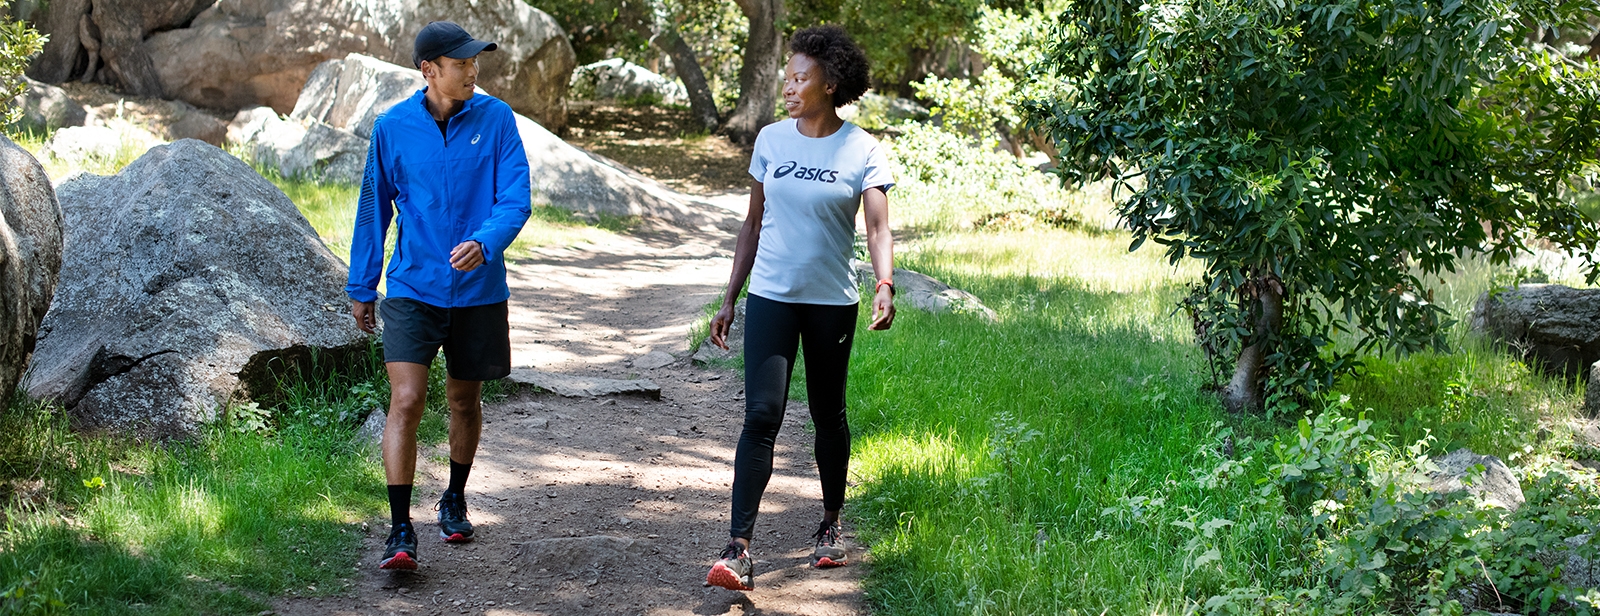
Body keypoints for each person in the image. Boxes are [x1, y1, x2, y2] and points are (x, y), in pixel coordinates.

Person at [704, 25, 895, 591]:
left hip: (832, 301)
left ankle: (831, 525)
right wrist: (730, 297)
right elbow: (752, 223)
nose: (787, 86)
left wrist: (884, 283)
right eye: (786, 77)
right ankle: (739, 547)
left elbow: (879, 224)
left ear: (830, 84)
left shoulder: (861, 148)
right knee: (761, 415)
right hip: (771, 297)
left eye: (799, 78)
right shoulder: (770, 141)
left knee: (826, 413)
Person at [346, 20, 532, 571]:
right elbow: (372, 209)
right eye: (461, 63)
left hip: (477, 290)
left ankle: (453, 496)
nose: (473, 70)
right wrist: (363, 285)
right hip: (412, 287)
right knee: (406, 400)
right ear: (429, 70)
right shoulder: (392, 127)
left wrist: (485, 240)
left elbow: (516, 198)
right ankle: (400, 528)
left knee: (463, 401)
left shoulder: (497, 119)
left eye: (475, 62)